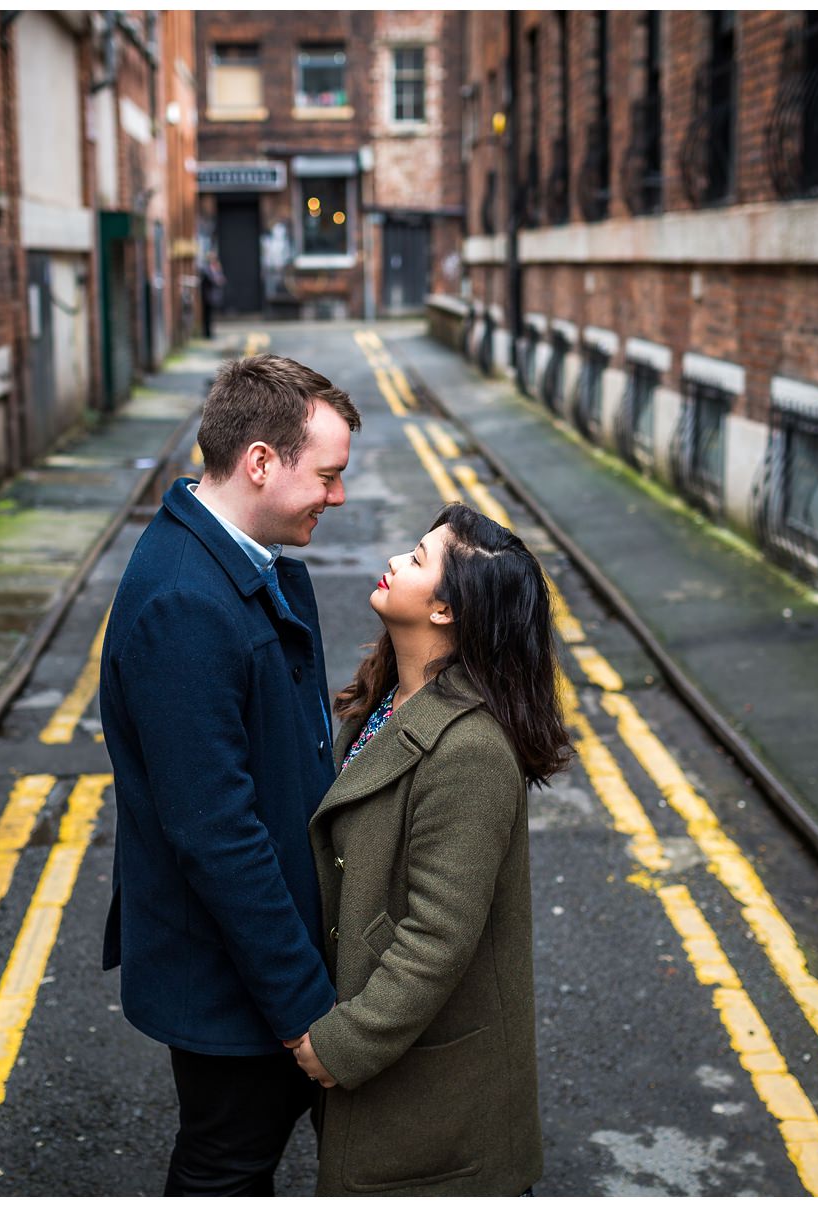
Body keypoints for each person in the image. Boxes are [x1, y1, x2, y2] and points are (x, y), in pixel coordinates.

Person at [99, 353, 362, 1195]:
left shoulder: (255, 560)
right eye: (326, 474)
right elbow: (219, 835)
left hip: (271, 960)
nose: (339, 495)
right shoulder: (186, 603)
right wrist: (306, 1012)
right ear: (259, 462)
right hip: (237, 983)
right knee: (225, 1164)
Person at [290, 502, 571, 1196]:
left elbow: (436, 935)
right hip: (397, 1066)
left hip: (439, 1102)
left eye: (417, 559)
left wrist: (340, 1043)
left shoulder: (470, 750)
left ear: (446, 610)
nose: (393, 560)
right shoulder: (393, 698)